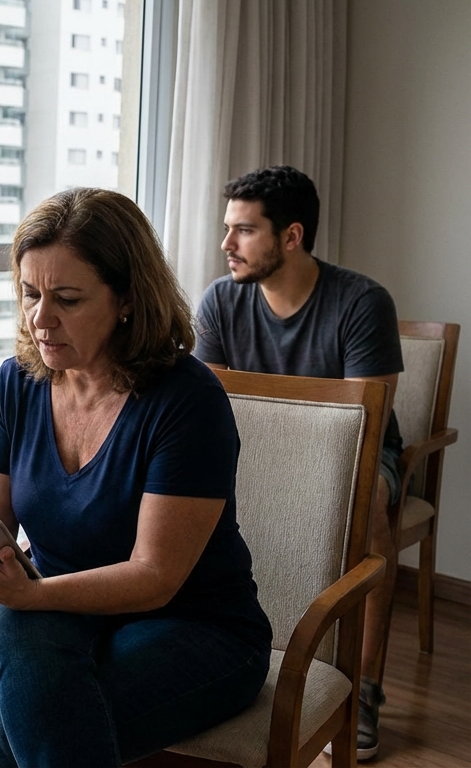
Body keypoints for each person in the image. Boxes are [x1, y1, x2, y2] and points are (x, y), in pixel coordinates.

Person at [0, 188, 272, 768]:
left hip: (195, 626)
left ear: (127, 298)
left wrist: (31, 594)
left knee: (7, 732)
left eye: (67, 299)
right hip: (60, 611)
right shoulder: (16, 383)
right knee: (15, 625)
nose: (40, 318)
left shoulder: (187, 400)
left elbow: (155, 577)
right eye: (30, 293)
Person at [194, 165, 403, 761]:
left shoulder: (361, 301)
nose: (227, 243)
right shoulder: (220, 300)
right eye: (228, 228)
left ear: (291, 236)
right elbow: (209, 406)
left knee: (368, 509)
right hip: (253, 451)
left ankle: (363, 687)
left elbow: (365, 421)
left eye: (244, 230)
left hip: (360, 455)